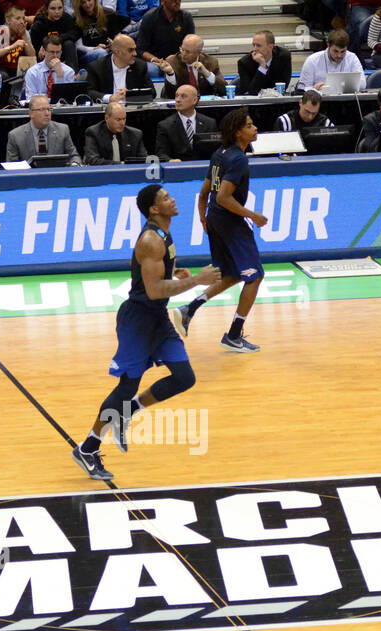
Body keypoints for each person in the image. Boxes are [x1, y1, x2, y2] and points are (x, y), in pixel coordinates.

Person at [70, 182, 220, 481]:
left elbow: (155, 275)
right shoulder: (151, 240)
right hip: (138, 321)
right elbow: (152, 291)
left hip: (157, 320)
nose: (172, 199)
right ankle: (87, 448)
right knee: (126, 387)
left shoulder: (163, 233)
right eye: (166, 197)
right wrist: (197, 281)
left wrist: (176, 273)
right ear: (154, 209)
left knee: (184, 378)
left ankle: (129, 411)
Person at [176, 107, 268, 353]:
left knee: (232, 273)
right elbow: (225, 198)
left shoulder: (220, 153)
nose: (255, 128)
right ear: (238, 132)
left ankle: (189, 309)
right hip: (229, 222)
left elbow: (205, 192)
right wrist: (254, 216)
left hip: (216, 219)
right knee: (255, 275)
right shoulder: (237, 158)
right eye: (249, 125)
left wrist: (204, 218)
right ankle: (234, 335)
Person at [6, 93, 82, 162]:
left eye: (49, 109)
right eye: (42, 110)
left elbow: (74, 156)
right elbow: (12, 165)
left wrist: (75, 164)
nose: (47, 113)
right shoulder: (15, 136)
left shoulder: (62, 130)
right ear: (31, 113)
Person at [83, 31, 154, 101]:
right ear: (117, 52)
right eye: (131, 50)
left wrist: (131, 94)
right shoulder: (97, 67)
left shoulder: (140, 66)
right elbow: (89, 92)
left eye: (135, 49)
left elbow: (152, 93)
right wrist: (110, 98)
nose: (135, 54)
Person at [154, 83, 216, 160]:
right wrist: (170, 161)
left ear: (194, 100)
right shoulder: (165, 125)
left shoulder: (209, 123)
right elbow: (161, 154)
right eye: (176, 96)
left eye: (183, 96)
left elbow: (215, 151)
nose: (178, 100)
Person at [136, 0, 193, 83]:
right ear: (162, 1)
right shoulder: (149, 17)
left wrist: (175, 59)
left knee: (188, 67)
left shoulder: (186, 17)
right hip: (155, 62)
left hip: (179, 60)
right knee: (151, 70)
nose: (177, 2)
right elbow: (140, 49)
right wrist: (157, 60)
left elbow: (190, 45)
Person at [297, 28, 365, 91]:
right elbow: (302, 88)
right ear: (328, 46)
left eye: (343, 51)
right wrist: (314, 88)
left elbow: (362, 84)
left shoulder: (352, 58)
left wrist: (330, 87)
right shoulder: (312, 60)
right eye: (335, 51)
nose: (339, 55)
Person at [83, 99, 146, 163]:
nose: (122, 123)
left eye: (124, 119)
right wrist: (120, 164)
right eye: (118, 120)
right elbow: (92, 160)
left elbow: (144, 160)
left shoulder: (135, 135)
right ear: (107, 118)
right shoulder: (93, 133)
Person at [21, 30, 75, 100]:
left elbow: (67, 100)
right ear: (43, 51)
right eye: (52, 52)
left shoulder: (69, 72)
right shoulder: (32, 72)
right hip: (39, 109)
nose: (55, 56)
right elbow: (31, 99)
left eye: (58, 52)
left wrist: (60, 76)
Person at [235, 29, 291, 96]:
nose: (255, 49)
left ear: (270, 47)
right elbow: (251, 92)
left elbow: (283, 85)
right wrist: (262, 67)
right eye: (254, 45)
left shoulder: (283, 56)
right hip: (255, 103)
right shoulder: (244, 63)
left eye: (258, 45)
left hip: (277, 100)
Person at [74, 0, 128, 67]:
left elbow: (117, 35)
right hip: (88, 55)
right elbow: (78, 46)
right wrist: (95, 48)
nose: (87, 4)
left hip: (109, 50)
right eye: (83, 2)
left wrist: (113, 45)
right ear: (79, 4)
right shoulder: (76, 18)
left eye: (89, 0)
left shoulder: (108, 13)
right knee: (101, 52)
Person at [29, 0, 79, 69]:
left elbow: (75, 33)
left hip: (63, 54)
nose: (57, 12)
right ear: (47, 9)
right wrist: (44, 47)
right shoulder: (39, 24)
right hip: (46, 55)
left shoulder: (66, 18)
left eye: (60, 8)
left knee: (69, 44)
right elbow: (36, 47)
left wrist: (59, 38)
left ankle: (74, 75)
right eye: (53, 8)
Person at [0, 4, 33, 78]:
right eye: (18, 18)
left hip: (16, 67)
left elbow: (32, 56)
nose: (22, 22)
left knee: (31, 73)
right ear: (8, 20)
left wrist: (24, 36)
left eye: (23, 18)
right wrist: (12, 47)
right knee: (3, 76)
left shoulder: (25, 33)